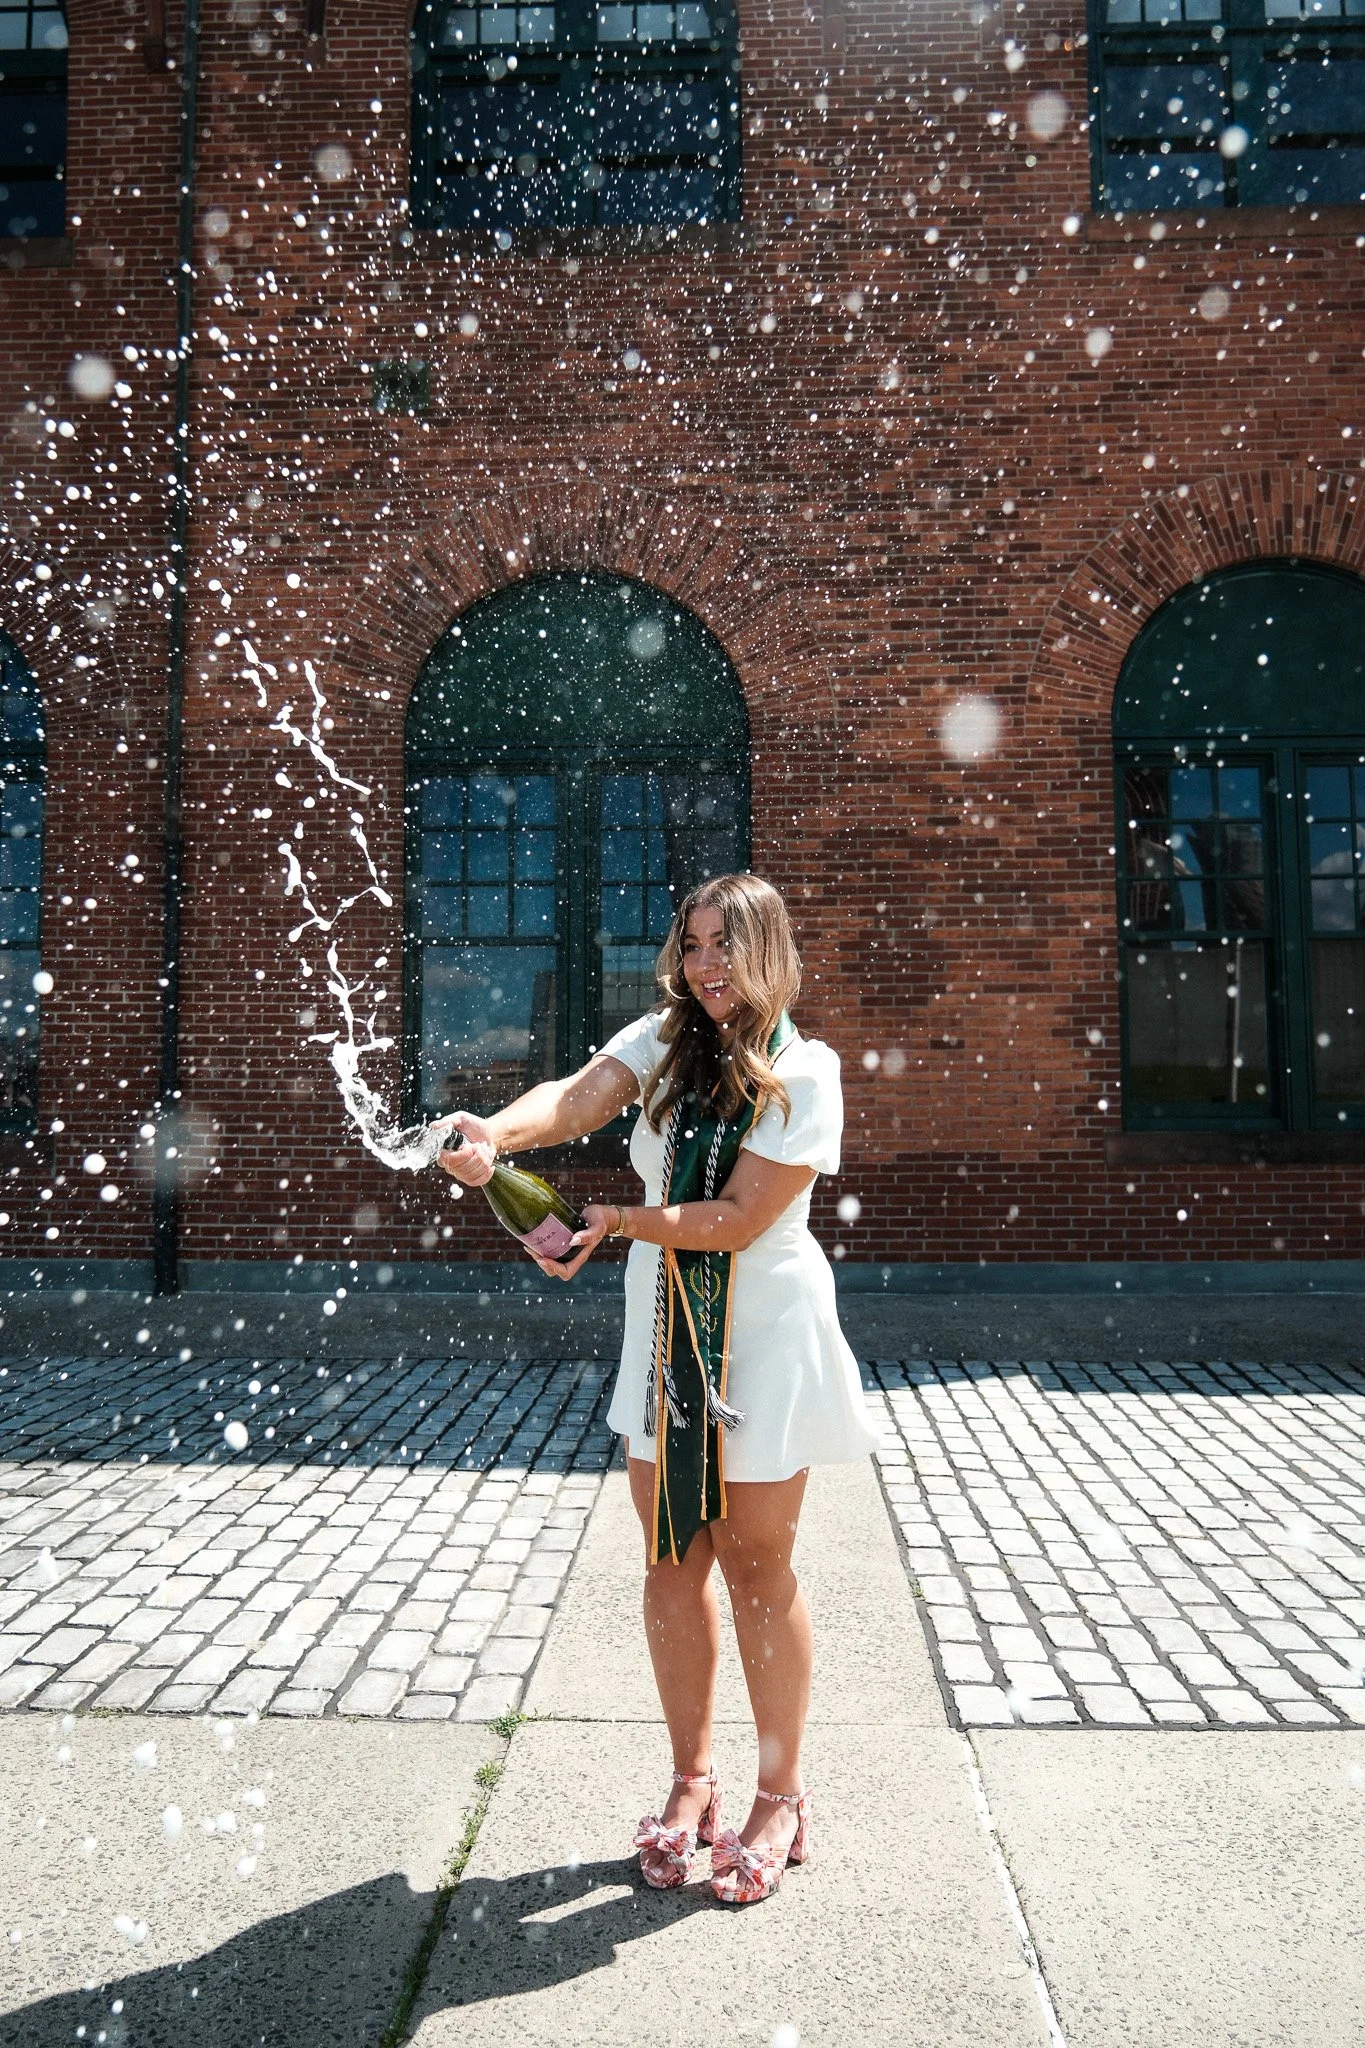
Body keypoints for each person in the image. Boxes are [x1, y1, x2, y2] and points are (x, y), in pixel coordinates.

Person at [438, 872, 879, 1905]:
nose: (706, 963)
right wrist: (494, 1136)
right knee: (670, 1550)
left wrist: (621, 1221)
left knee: (758, 1561)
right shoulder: (664, 1038)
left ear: (768, 948)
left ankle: (781, 1794)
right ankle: (694, 1783)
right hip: (664, 1324)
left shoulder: (804, 1072)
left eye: (726, 944)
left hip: (761, 1330)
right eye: (692, 945)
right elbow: (577, 1097)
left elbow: (734, 1217)